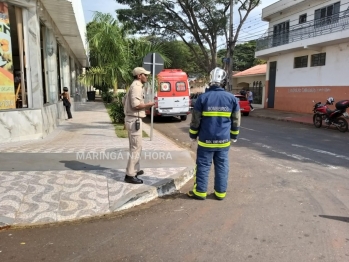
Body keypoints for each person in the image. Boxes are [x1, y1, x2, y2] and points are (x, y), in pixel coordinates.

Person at [188, 67, 241, 200]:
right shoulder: (232, 99)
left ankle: (200, 192)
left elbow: (195, 120)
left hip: (206, 140)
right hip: (223, 141)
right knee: (222, 166)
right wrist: (234, 135)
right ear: (223, 82)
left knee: (203, 166)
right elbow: (236, 120)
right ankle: (220, 193)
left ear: (210, 81)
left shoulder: (202, 98)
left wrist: (193, 135)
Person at [123, 67, 155, 184]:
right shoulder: (136, 87)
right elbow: (136, 105)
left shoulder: (134, 86)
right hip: (134, 120)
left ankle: (135, 170)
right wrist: (149, 104)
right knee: (136, 148)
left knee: (136, 147)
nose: (146, 77)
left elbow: (124, 102)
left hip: (133, 119)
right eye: (144, 75)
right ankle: (130, 174)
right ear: (139, 76)